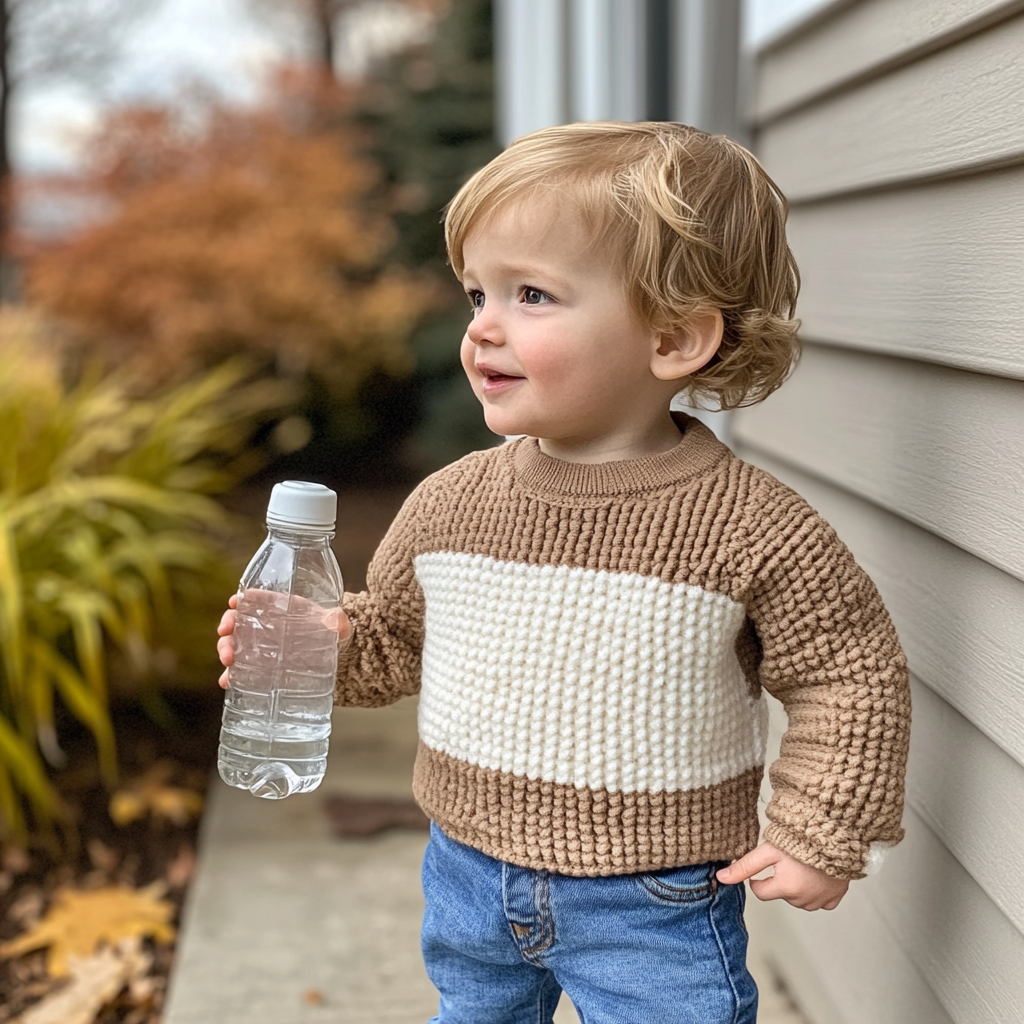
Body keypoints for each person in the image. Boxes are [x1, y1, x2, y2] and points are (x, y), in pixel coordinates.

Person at [217, 121, 910, 1024]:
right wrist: (323, 648)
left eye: (532, 294)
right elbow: (394, 636)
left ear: (674, 338)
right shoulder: (452, 502)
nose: (482, 330)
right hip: (466, 869)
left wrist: (822, 829)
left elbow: (849, 673)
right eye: (476, 295)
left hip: (653, 900)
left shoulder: (751, 525)